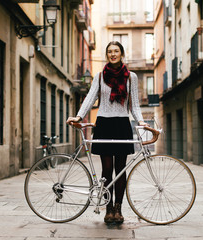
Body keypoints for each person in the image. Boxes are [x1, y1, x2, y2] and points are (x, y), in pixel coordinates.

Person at [67, 41, 148, 224]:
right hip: (103, 123)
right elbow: (90, 98)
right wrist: (79, 117)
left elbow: (134, 104)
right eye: (110, 51)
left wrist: (141, 121)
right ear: (107, 55)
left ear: (122, 53)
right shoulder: (99, 76)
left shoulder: (131, 77)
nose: (113, 54)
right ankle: (108, 207)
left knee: (120, 169)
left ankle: (118, 208)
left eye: (116, 51)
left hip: (122, 124)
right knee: (107, 169)